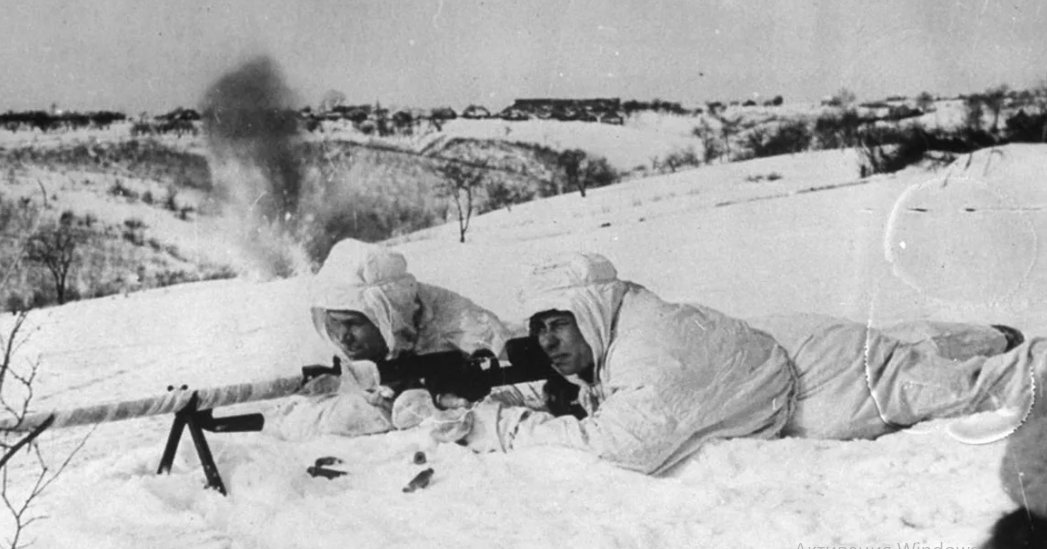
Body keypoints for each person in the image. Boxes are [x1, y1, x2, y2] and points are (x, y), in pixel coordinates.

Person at [428, 252, 1046, 476]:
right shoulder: (619, 326)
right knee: (897, 348)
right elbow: (584, 389)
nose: (548, 341)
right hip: (780, 348)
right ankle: (983, 336)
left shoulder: (652, 351)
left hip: (825, 379)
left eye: (557, 324)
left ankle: (1023, 357)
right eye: (539, 328)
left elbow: (620, 446)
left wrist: (501, 426)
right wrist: (502, 397)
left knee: (949, 390)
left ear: (588, 311)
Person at [273, 238, 531, 439]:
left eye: (353, 323)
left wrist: (452, 398)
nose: (343, 336)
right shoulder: (327, 340)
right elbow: (289, 416)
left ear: (384, 317)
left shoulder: (460, 322)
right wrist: (366, 409)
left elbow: (523, 378)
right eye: (334, 322)